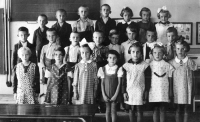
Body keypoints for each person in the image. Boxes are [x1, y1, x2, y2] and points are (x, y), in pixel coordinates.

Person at [169, 39, 197, 122]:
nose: (180, 51)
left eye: (182, 49)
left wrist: (194, 89)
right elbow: (170, 77)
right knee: (177, 109)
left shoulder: (190, 62)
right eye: (178, 49)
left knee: (186, 109)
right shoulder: (171, 63)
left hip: (187, 89)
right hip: (176, 89)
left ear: (186, 49)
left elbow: (194, 77)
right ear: (175, 49)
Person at [121, 42, 150, 122]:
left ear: (141, 53)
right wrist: (124, 92)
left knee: (139, 110)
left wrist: (146, 92)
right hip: (130, 91)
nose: (135, 54)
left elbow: (148, 81)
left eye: (138, 52)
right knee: (131, 110)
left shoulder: (145, 65)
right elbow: (124, 81)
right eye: (133, 52)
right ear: (130, 53)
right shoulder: (126, 66)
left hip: (140, 91)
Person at [149, 44, 174, 122]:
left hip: (163, 91)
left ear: (163, 54)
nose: (157, 55)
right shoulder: (150, 65)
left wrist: (170, 91)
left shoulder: (167, 65)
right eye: (155, 53)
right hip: (153, 91)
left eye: (160, 53)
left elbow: (170, 78)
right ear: (152, 54)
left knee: (163, 109)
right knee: (155, 109)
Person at [98, 50, 122, 122]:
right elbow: (102, 83)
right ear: (107, 59)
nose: (112, 59)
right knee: (107, 110)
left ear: (117, 59)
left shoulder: (119, 69)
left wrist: (115, 96)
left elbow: (119, 83)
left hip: (114, 94)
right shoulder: (103, 69)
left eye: (114, 58)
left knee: (113, 110)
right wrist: (104, 95)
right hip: (106, 94)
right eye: (110, 57)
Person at [12, 27, 37, 94]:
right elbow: (14, 59)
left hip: (29, 67)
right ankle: (15, 93)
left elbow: (34, 58)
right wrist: (14, 68)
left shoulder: (32, 46)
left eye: (25, 35)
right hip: (19, 68)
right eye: (21, 35)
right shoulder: (16, 46)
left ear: (28, 35)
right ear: (18, 35)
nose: (23, 37)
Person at [39, 28, 60, 101]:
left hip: (55, 66)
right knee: (48, 82)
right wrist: (43, 68)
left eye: (53, 36)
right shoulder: (44, 47)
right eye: (49, 36)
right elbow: (41, 59)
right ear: (47, 37)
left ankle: (54, 97)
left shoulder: (58, 46)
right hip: (47, 66)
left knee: (55, 82)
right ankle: (47, 98)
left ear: (56, 36)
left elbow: (60, 58)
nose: (51, 38)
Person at [64, 32, 81, 104]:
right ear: (70, 39)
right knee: (69, 83)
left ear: (79, 39)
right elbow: (64, 60)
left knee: (77, 83)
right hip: (68, 67)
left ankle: (78, 99)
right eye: (73, 37)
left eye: (77, 37)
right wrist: (68, 68)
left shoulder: (80, 49)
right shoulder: (67, 48)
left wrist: (75, 67)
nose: (75, 39)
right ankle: (68, 100)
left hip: (77, 67)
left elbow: (80, 60)